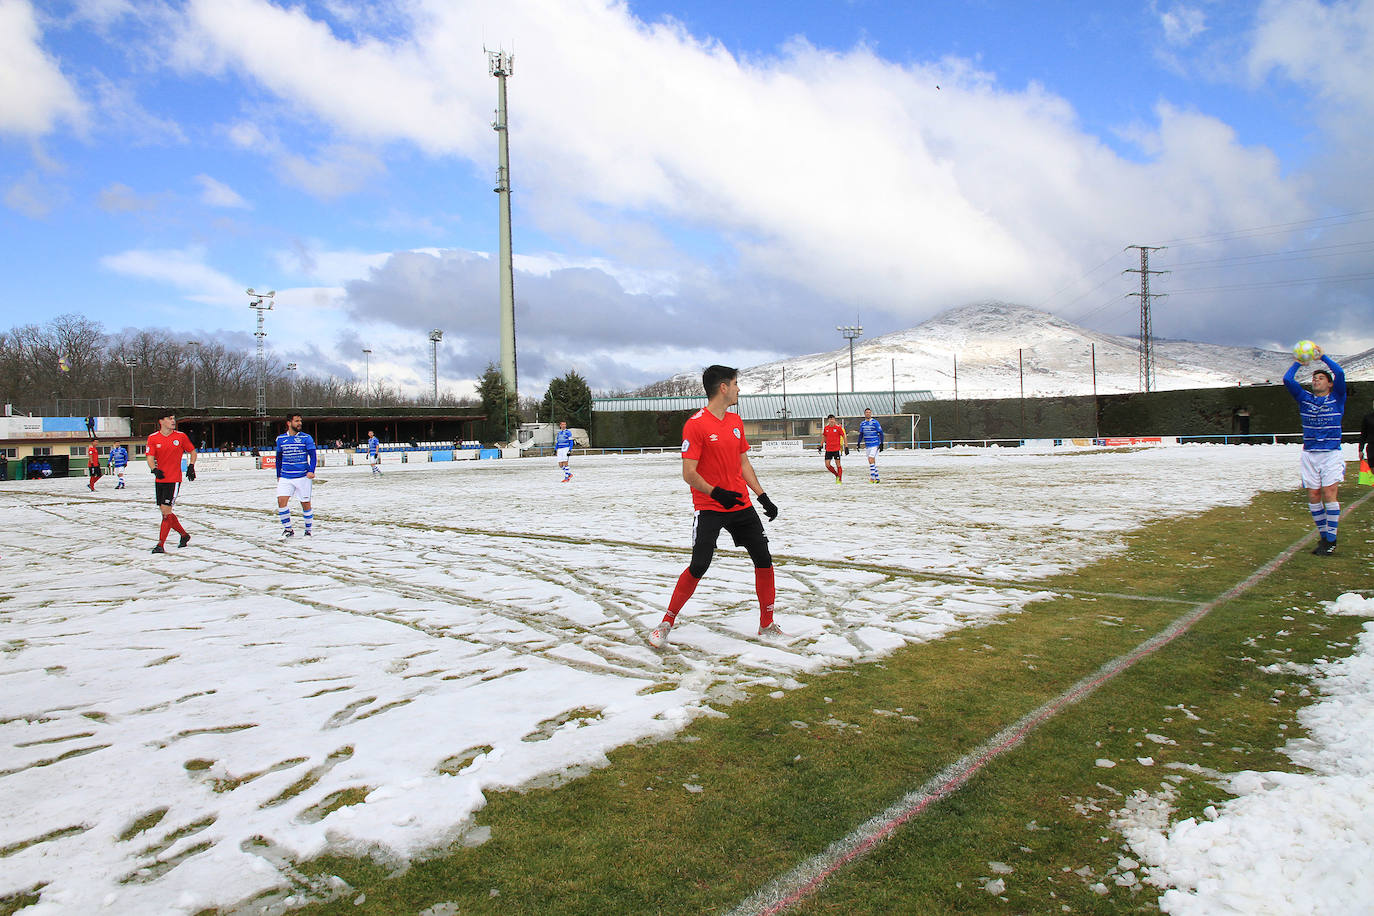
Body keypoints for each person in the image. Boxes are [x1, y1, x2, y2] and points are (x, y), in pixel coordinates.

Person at [648, 365, 782, 648]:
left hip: (741, 505)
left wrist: (762, 496)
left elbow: (743, 462)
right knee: (699, 565)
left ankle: (767, 624)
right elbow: (689, 473)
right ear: (723, 387)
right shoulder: (695, 424)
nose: (738, 389)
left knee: (764, 559)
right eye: (735, 384)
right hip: (709, 506)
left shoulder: (735, 421)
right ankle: (666, 622)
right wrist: (715, 493)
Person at [1282, 346, 1347, 555]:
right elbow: (1288, 380)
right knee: (1313, 495)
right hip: (1310, 454)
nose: (1316, 380)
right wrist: (1299, 363)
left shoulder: (1337, 397)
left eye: (1320, 378)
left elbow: (1341, 373)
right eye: (1314, 378)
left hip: (1331, 454)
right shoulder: (1305, 399)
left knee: (1329, 493)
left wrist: (1323, 357)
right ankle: (1323, 537)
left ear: (1329, 383)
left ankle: (1331, 540)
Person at [145, 411, 197, 554]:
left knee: (166, 512)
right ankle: (184, 535)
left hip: (173, 479)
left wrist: (191, 466)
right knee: (165, 512)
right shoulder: (153, 438)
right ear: (161, 421)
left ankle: (160, 544)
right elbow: (150, 456)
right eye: (169, 418)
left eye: (174, 418)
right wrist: (154, 469)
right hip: (160, 479)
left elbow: (192, 451)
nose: (173, 421)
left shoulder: (180, 437)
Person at [274, 413, 317, 538]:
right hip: (286, 476)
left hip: (302, 476)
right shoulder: (281, 439)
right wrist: (278, 475)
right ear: (289, 423)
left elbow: (313, 456)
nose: (300, 423)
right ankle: (288, 530)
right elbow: (278, 458)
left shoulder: (306, 438)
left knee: (305, 503)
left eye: (300, 421)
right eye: (297, 421)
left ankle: (308, 530)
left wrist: (311, 470)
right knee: (281, 501)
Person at [858, 408, 885, 483]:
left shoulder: (875, 422)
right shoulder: (862, 424)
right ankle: (877, 478)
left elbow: (881, 433)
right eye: (866, 412)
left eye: (869, 412)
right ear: (864, 414)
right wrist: (858, 443)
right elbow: (861, 434)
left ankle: (872, 478)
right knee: (871, 461)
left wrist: (882, 443)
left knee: (871, 458)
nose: (868, 414)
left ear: (871, 413)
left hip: (875, 443)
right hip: (868, 445)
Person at [821, 414, 847, 483]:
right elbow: (824, 437)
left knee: (838, 464)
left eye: (832, 419)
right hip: (828, 449)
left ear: (834, 420)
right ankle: (836, 475)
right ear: (828, 420)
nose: (831, 420)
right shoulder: (826, 428)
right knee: (827, 465)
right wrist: (821, 445)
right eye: (830, 419)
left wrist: (846, 446)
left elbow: (844, 436)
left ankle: (840, 479)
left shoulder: (838, 428)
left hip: (836, 449)